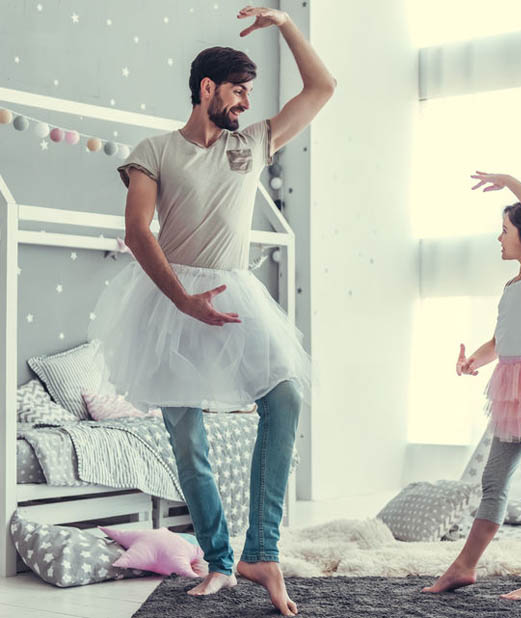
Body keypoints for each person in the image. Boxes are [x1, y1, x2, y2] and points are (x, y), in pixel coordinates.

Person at [88, 6, 335, 616]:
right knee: (187, 435)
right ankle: (220, 562)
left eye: (250, 92)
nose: (246, 103)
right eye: (239, 91)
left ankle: (261, 550)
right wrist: (183, 302)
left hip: (234, 293)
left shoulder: (252, 143)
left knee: (285, 396)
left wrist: (285, 24)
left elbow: (323, 88)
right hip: (171, 300)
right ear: (207, 90)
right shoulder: (154, 151)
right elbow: (138, 232)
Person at [422, 172, 521, 600]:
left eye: (505, 231)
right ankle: (463, 566)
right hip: (512, 389)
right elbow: (501, 340)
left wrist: (508, 180)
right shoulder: (513, 285)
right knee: (493, 483)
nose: (499, 238)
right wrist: (473, 360)